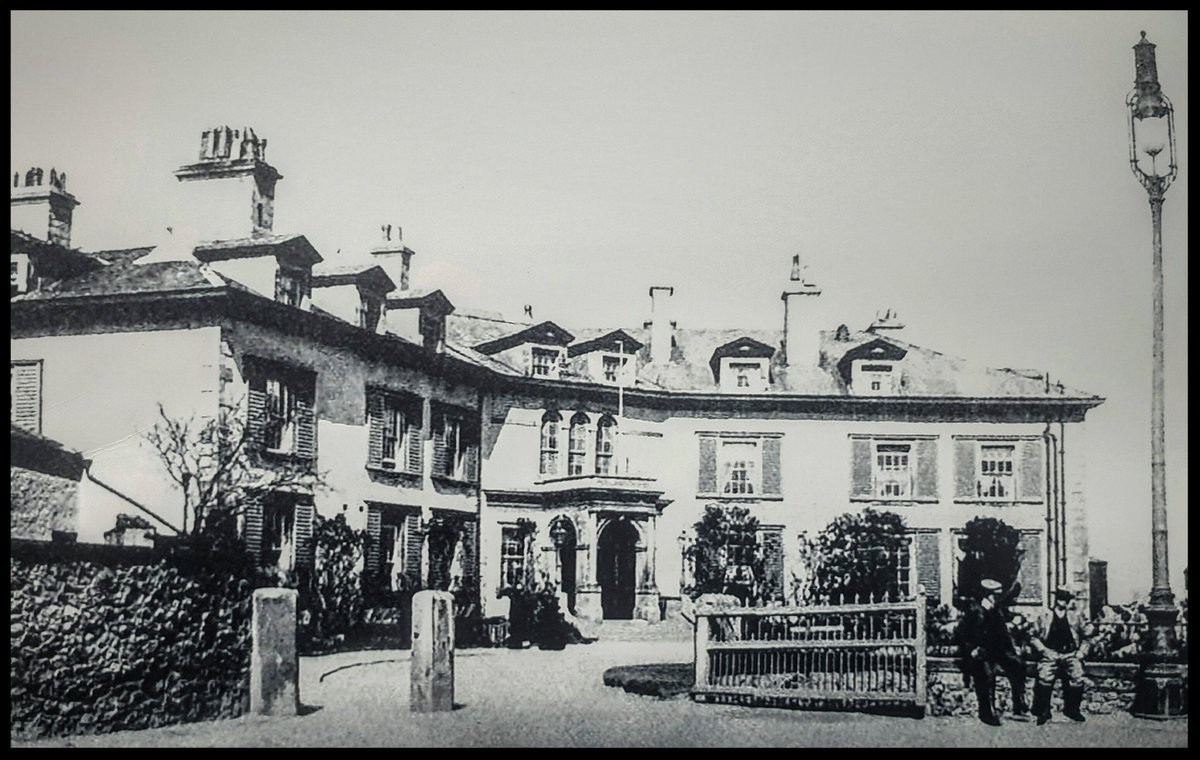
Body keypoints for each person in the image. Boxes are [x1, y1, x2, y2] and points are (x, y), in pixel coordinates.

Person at [957, 578, 1030, 726]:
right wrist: (971, 649)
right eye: (993, 595)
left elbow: (1002, 631)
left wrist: (1012, 646)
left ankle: (1019, 705)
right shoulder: (974, 609)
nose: (995, 597)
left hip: (998, 649)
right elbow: (964, 632)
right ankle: (987, 712)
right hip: (981, 650)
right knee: (987, 675)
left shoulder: (995, 608)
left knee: (1017, 665)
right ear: (986, 594)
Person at [1029, 585, 1092, 725]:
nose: (1063, 601)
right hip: (1050, 653)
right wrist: (1044, 651)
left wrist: (1081, 652)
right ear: (1056, 598)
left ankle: (1072, 710)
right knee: (1044, 677)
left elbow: (1087, 636)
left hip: (1070, 653)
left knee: (1077, 677)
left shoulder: (1076, 616)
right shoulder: (1044, 615)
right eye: (1060, 598)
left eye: (1066, 599)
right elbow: (1032, 637)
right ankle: (1043, 710)